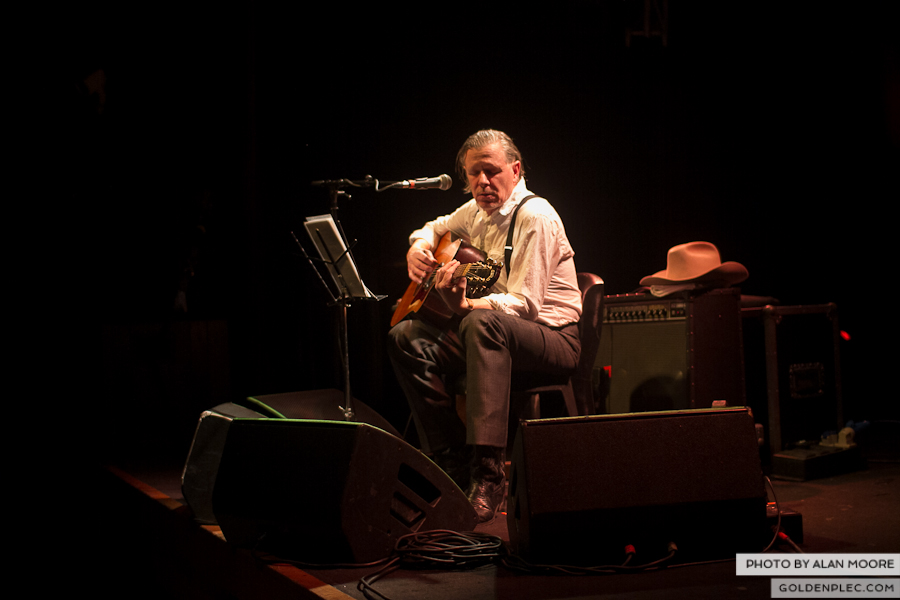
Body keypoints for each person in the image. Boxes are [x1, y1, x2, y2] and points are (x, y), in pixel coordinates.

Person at [388, 129, 582, 523]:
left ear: (516, 170)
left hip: (553, 339)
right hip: (493, 334)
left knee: (480, 322)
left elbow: (525, 306)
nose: (482, 182)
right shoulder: (475, 213)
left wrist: (466, 305)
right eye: (474, 174)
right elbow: (434, 226)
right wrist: (418, 247)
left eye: (491, 172)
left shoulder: (535, 216)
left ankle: (490, 475)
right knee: (405, 336)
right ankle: (451, 462)